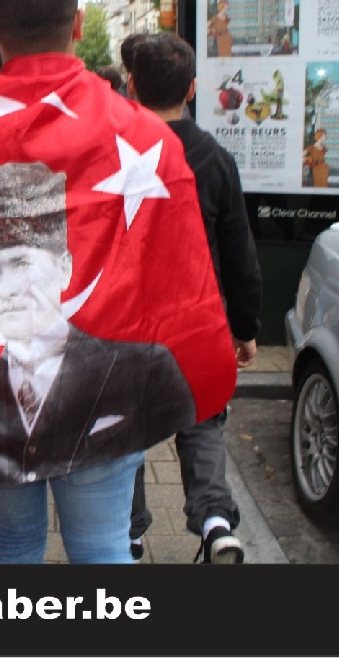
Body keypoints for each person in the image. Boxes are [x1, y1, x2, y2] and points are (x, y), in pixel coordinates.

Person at [0, 0, 239, 566]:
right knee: (103, 547)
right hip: (110, 394)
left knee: (14, 546)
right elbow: (179, 271)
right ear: (77, 23)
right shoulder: (143, 135)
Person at [0, 162, 198, 561]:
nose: (8, 289)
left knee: (90, 550)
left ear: (65, 267)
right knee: (32, 548)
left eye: (22, 263)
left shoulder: (136, 369)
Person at [127, 31, 263, 564]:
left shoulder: (112, 153)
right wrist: (244, 328)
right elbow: (239, 252)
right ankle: (214, 523)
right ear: (192, 89)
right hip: (198, 321)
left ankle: (128, 533)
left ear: (131, 85)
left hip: (128, 324)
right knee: (203, 420)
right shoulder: (216, 159)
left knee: (128, 430)